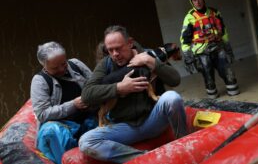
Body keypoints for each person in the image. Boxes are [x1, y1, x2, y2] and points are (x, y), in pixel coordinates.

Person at [79, 25, 187, 163]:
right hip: (124, 128)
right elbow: (86, 95)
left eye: (118, 48)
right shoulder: (105, 64)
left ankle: (185, 144)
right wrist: (119, 88)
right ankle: (145, 159)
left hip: (152, 120)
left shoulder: (148, 55)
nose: (114, 54)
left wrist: (150, 61)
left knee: (172, 98)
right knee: (86, 141)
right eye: (110, 50)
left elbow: (175, 80)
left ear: (130, 43)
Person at [30, 41, 96, 164]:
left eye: (63, 64)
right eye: (55, 68)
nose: (61, 69)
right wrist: (73, 105)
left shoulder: (76, 64)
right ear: (44, 66)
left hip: (86, 117)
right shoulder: (40, 81)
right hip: (62, 125)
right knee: (52, 131)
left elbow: (95, 84)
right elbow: (42, 114)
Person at [180, 0, 239, 99]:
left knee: (227, 70)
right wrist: (188, 58)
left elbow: (224, 31)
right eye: (195, 0)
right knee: (208, 76)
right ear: (191, 2)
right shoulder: (189, 17)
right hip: (201, 52)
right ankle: (213, 97)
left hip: (218, 47)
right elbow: (185, 39)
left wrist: (228, 48)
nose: (198, 2)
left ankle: (233, 92)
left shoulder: (214, 12)